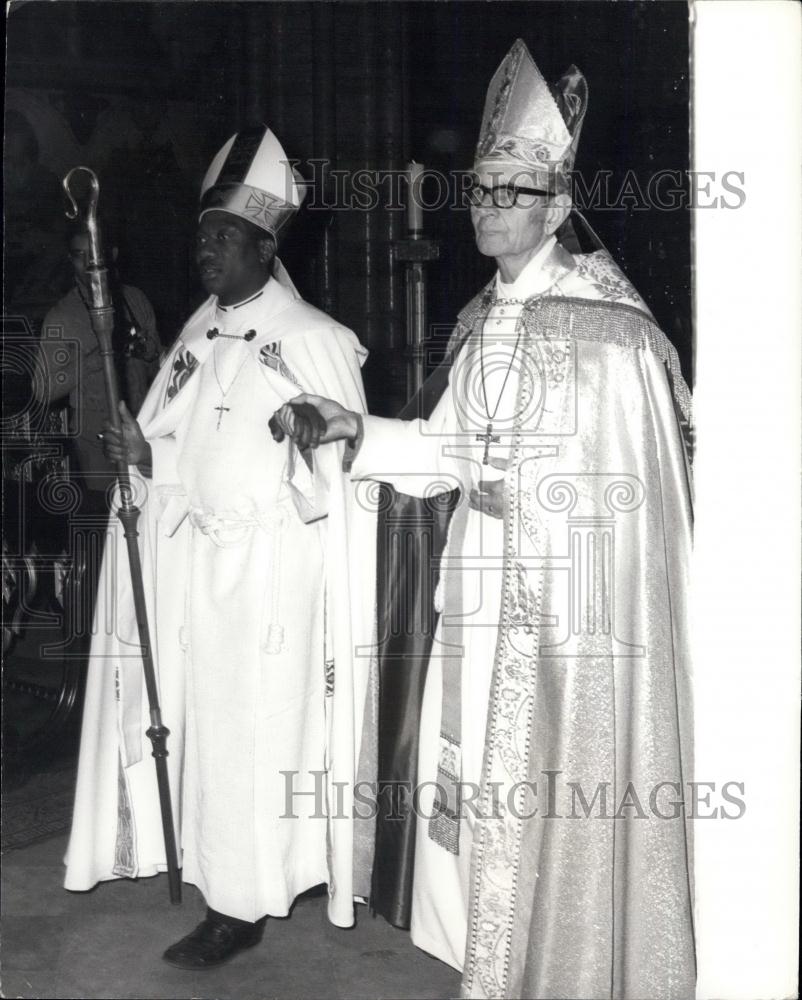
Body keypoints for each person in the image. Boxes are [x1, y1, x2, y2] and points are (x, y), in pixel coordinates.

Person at [273, 40, 695, 1000]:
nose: (485, 204)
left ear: (555, 206)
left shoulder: (605, 329)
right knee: (470, 788)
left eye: (509, 190)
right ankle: (495, 966)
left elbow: (615, 508)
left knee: (550, 792)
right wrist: (359, 429)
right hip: (481, 591)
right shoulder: (481, 320)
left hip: (564, 618)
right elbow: (448, 451)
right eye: (480, 186)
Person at [64, 125, 376, 970]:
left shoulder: (312, 337)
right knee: (206, 728)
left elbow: (348, 475)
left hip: (271, 576)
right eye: (202, 235)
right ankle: (221, 876)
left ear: (265, 245)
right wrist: (145, 456)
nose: (206, 250)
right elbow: (183, 439)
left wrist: (308, 456)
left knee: (255, 734)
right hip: (200, 564)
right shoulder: (201, 329)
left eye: (225, 237)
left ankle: (238, 905)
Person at [35, 225, 161, 506]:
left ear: (112, 254)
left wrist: (149, 351)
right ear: (71, 259)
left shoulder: (136, 299)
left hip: (145, 431)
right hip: (97, 443)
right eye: (80, 255)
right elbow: (42, 390)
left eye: (96, 253)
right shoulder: (61, 317)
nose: (90, 263)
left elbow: (158, 367)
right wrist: (94, 358)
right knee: (109, 521)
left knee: (149, 511)